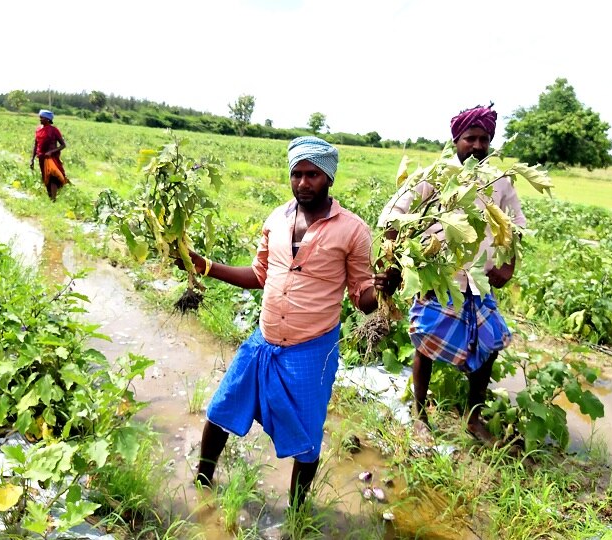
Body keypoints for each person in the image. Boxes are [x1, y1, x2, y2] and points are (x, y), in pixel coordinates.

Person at [186, 136, 398, 508]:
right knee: (220, 411)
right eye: (297, 174)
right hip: (263, 341)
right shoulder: (277, 219)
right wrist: (202, 265)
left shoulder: (353, 230)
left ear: (329, 177)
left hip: (311, 350)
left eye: (312, 175)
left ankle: (297, 515)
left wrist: (384, 289)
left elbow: (362, 299)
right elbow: (258, 274)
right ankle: (202, 483)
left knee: (306, 437)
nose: (303, 182)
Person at [378, 104, 526, 442]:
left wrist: (508, 263)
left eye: (483, 139)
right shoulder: (435, 176)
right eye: (470, 138)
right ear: (456, 140)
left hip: (478, 279)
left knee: (488, 345)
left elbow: (516, 225)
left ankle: (473, 417)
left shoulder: (499, 182)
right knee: (426, 345)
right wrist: (396, 258)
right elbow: (394, 213)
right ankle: (419, 417)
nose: (476, 146)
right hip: (437, 276)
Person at [30, 109, 69, 201]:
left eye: (42, 117)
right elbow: (36, 144)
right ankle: (50, 197)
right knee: (45, 177)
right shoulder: (38, 129)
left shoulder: (54, 130)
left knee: (53, 177)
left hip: (52, 158)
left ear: (48, 119)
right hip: (41, 157)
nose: (40, 119)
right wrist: (32, 158)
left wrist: (52, 151)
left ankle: (54, 199)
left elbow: (63, 145)